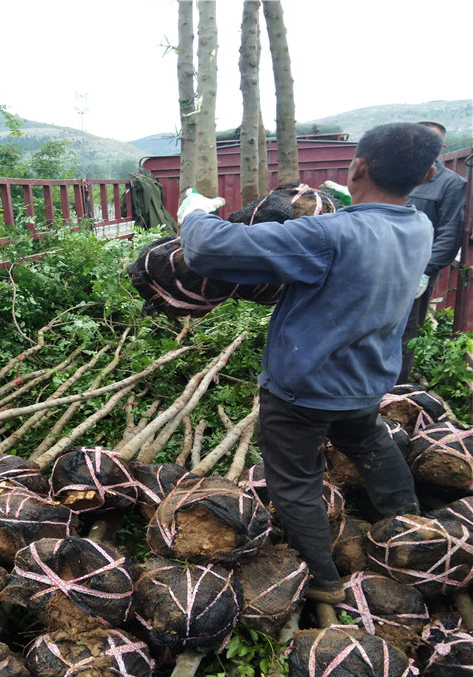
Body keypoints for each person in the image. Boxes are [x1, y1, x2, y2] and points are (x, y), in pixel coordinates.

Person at [176, 122, 443, 603]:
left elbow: (209, 250)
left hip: (302, 390)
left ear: (357, 166)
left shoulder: (329, 234)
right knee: (367, 439)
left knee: (295, 479)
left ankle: (324, 581)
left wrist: (194, 214)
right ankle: (408, 531)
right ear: (425, 175)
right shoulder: (419, 226)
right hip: (366, 380)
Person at [397, 121, 467, 383]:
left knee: (405, 330)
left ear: (442, 148)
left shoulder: (452, 185)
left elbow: (450, 233)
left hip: (416, 270)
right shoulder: (399, 177)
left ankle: (397, 389)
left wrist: (425, 271)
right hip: (384, 263)